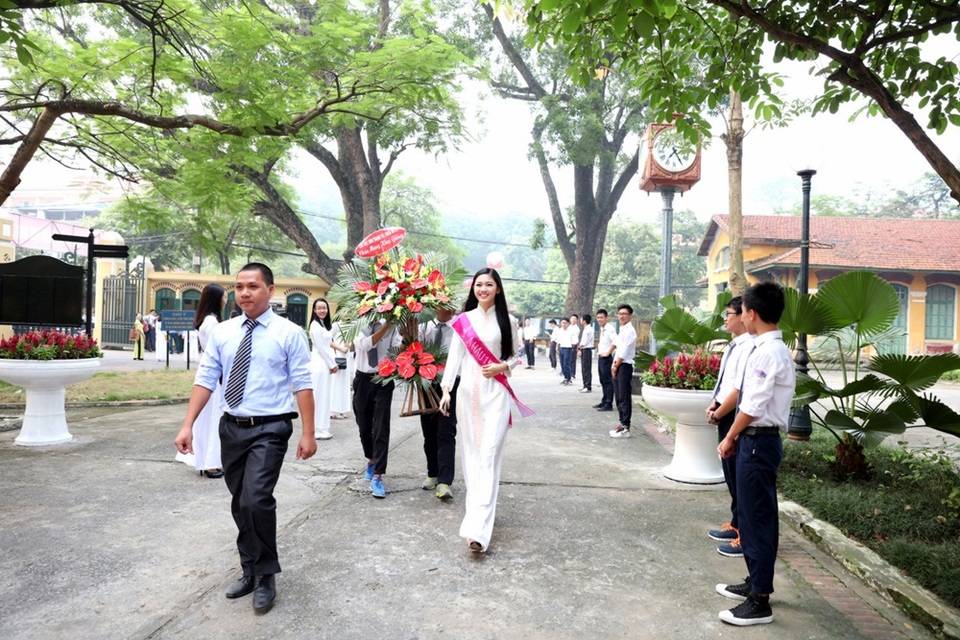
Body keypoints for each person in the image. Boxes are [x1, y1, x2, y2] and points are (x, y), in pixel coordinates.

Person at [174, 263, 316, 615]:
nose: (244, 293)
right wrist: (187, 424)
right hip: (232, 425)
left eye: (252, 286)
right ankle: (249, 568)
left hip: (271, 427)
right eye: (238, 287)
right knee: (240, 502)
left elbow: (302, 383)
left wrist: (309, 433)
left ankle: (267, 574)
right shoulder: (223, 332)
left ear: (270, 289)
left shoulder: (289, 333)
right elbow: (206, 378)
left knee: (256, 499)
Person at [715, 281, 795, 627]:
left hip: (756, 440)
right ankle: (755, 582)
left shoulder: (767, 352)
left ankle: (760, 601)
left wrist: (729, 435)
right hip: (754, 440)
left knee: (758, 518)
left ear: (752, 313)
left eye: (743, 310)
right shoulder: (767, 348)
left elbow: (753, 405)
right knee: (750, 516)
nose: (742, 316)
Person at [439, 267, 528, 553]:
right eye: (479, 285)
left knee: (489, 456)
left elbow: (516, 355)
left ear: (498, 289)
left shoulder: (509, 321)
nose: (483, 289)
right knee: (472, 457)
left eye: (489, 284)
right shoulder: (464, 321)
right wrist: (445, 390)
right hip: (468, 396)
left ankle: (479, 530)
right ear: (473, 289)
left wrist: (503, 366)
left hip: (497, 395)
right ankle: (475, 522)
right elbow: (455, 358)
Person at [705, 296, 753, 558]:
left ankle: (744, 534)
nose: (725, 317)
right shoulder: (735, 345)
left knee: (738, 476)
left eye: (730, 313)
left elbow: (738, 389)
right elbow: (725, 384)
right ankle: (736, 524)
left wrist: (719, 413)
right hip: (723, 410)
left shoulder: (749, 348)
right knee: (731, 474)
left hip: (733, 413)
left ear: (745, 315)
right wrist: (714, 403)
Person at [175, 284, 228, 478]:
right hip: (214, 376)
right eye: (224, 297)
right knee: (214, 419)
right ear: (216, 299)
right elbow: (219, 352)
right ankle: (211, 463)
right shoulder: (212, 322)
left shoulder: (207, 320)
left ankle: (207, 460)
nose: (226, 300)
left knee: (207, 419)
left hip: (210, 373)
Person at [353, 315, 401, 499]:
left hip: (383, 380)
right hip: (362, 379)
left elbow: (397, 348)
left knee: (381, 427)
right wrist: (386, 326)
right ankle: (371, 459)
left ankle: (378, 475)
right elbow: (366, 345)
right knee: (363, 425)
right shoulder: (358, 324)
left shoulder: (392, 323)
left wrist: (406, 334)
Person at [418, 307, 458, 499]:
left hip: (451, 385)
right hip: (427, 382)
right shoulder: (425, 327)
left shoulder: (460, 328)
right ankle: (432, 473)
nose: (447, 308)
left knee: (446, 431)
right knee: (429, 431)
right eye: (441, 304)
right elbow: (413, 349)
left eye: (449, 304)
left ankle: (444, 481)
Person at [309, 298, 338, 441]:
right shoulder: (315, 326)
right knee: (319, 397)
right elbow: (321, 348)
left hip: (325, 364)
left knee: (324, 396)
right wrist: (332, 364)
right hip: (320, 364)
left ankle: (322, 427)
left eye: (324, 308)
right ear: (314, 310)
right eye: (319, 308)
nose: (322, 310)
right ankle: (317, 429)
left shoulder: (322, 325)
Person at [609, 304, 637, 438]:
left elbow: (625, 351)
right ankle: (621, 424)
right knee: (619, 396)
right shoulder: (622, 329)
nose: (621, 316)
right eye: (619, 313)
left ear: (630, 316)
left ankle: (626, 427)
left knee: (624, 397)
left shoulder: (630, 330)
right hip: (618, 364)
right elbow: (618, 348)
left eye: (624, 313)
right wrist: (614, 365)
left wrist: (615, 366)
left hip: (624, 366)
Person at [593, 309, 617, 412]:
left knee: (607, 381)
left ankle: (608, 403)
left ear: (606, 318)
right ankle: (604, 401)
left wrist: (608, 352)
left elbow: (616, 341)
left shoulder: (610, 329)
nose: (599, 319)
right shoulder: (602, 329)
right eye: (598, 317)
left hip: (606, 359)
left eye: (601, 317)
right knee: (602, 380)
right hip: (601, 358)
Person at [329, 320, 352, 420]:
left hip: (346, 355)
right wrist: (340, 348)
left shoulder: (351, 324)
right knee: (336, 382)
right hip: (337, 355)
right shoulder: (335, 325)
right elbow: (327, 340)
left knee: (345, 382)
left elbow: (352, 339)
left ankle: (342, 409)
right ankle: (333, 410)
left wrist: (349, 344)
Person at [577, 314, 594, 393]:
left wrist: (579, 347)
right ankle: (585, 385)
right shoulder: (585, 329)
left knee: (586, 369)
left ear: (584, 321)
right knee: (584, 369)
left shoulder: (589, 329)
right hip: (584, 350)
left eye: (581, 319)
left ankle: (588, 386)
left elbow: (584, 342)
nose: (580, 320)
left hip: (587, 350)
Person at [556, 318, 575, 385]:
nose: (564, 324)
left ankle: (569, 379)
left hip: (568, 348)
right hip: (561, 348)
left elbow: (574, 341)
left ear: (568, 323)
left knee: (566, 364)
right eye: (562, 323)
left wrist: (571, 347)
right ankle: (565, 378)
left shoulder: (570, 331)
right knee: (562, 364)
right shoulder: (559, 331)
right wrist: (557, 347)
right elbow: (558, 340)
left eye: (565, 323)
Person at [568, 314, 580, 380]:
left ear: (576, 320)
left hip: (573, 345)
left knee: (572, 360)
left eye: (574, 319)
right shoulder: (569, 327)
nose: (573, 320)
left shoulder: (576, 328)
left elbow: (575, 338)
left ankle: (572, 373)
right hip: (568, 345)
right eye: (572, 318)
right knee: (568, 359)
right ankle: (568, 372)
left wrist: (573, 344)